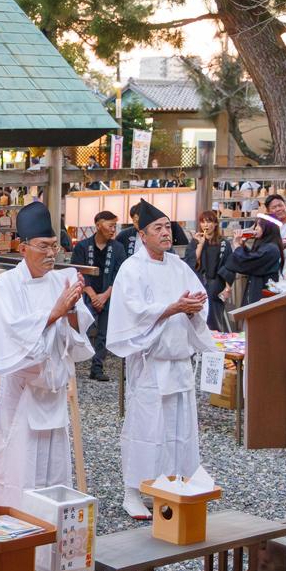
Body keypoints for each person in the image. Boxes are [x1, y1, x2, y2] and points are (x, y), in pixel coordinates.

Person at [107, 199, 213, 519]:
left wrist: (194, 308)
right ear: (142, 235)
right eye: (158, 228)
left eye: (168, 226)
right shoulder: (133, 268)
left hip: (179, 362)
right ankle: (131, 492)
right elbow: (134, 313)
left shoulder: (179, 265)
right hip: (151, 361)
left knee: (178, 430)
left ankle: (170, 488)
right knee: (145, 429)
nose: (166, 233)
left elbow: (196, 303)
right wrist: (172, 308)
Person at [0, 202, 94, 505]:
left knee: (55, 471)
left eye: (54, 247)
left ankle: (51, 545)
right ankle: (16, 541)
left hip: (54, 392)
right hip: (22, 393)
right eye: (43, 247)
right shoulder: (6, 285)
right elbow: (11, 339)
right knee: (19, 470)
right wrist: (54, 312)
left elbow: (76, 334)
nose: (51, 254)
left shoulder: (62, 278)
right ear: (23, 248)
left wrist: (71, 308)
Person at [70, 210, 126, 381]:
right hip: (87, 295)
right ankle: (72, 364)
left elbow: (119, 274)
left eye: (115, 226)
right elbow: (77, 270)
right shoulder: (82, 246)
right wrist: (93, 296)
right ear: (98, 225)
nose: (113, 229)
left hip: (109, 296)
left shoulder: (118, 248)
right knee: (81, 329)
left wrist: (105, 296)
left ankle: (97, 367)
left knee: (104, 333)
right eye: (110, 225)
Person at [183, 210, 232, 331]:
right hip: (198, 284)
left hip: (216, 286)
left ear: (215, 224)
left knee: (214, 318)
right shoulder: (196, 241)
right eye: (202, 222)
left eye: (209, 221)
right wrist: (200, 245)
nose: (205, 225)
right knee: (197, 319)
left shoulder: (224, 244)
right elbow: (189, 262)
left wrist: (227, 288)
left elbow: (229, 266)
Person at [220, 214, 283, 306]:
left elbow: (249, 262)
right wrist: (243, 246)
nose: (256, 228)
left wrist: (237, 246)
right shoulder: (269, 246)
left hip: (262, 294)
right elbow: (253, 259)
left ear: (267, 228)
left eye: (259, 225)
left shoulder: (270, 248)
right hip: (257, 290)